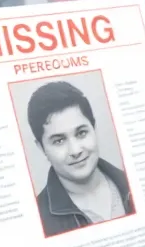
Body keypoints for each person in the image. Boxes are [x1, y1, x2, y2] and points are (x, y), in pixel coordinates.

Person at [27, 80, 135, 237]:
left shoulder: (134, 183)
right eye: (59, 141)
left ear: (94, 128)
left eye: (81, 133)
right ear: (41, 147)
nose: (75, 150)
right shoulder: (37, 221)